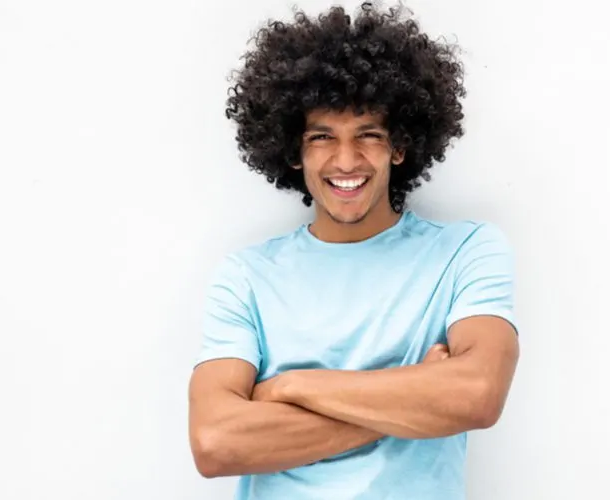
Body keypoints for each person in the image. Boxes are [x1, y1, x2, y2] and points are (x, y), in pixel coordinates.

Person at [187, 3, 520, 499]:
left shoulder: (466, 251)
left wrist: (292, 386)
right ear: (294, 152)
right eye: (322, 137)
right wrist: (417, 397)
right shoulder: (247, 276)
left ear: (400, 146)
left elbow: (477, 394)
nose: (346, 160)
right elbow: (215, 442)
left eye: (369, 134)